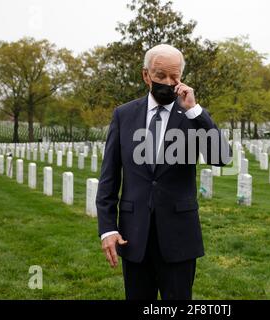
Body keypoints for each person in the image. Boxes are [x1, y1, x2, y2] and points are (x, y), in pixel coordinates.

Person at [96, 44, 232, 300]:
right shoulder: (123, 115)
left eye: (175, 77)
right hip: (133, 237)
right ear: (146, 75)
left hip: (179, 238)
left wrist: (194, 110)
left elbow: (222, 158)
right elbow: (109, 178)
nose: (168, 83)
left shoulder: (192, 115)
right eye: (161, 76)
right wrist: (107, 228)